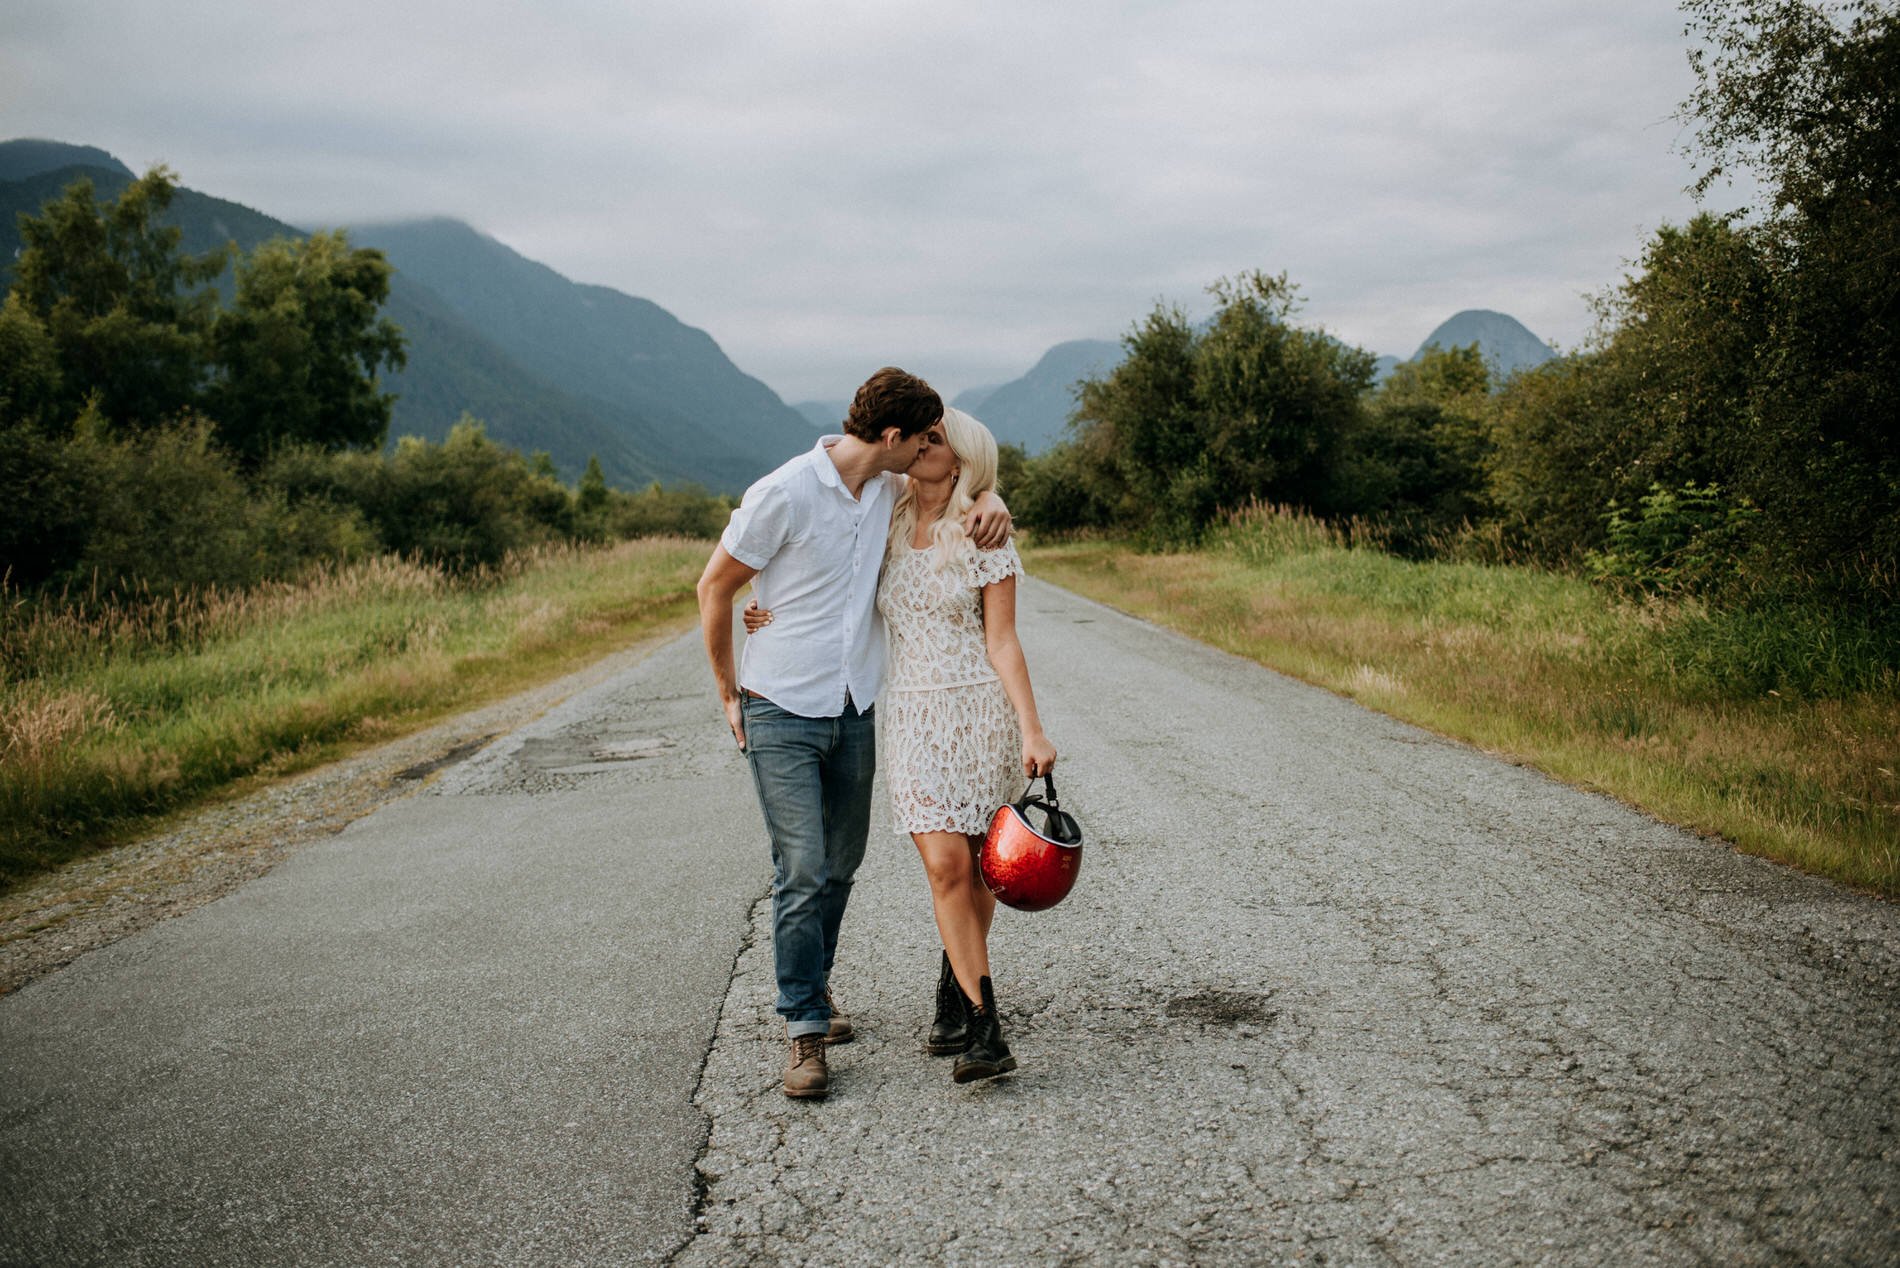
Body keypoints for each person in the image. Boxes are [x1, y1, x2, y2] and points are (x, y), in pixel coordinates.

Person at [696, 369, 1011, 1102]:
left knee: (840, 865)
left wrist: (990, 497)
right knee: (802, 868)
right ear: (895, 439)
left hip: (857, 707)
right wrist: (727, 690)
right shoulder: (784, 493)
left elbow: (956, 490)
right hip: (779, 704)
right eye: (925, 437)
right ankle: (804, 1028)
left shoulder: (886, 488)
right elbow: (716, 586)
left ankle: (820, 986)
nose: (934, 447)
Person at [745, 406, 1054, 1084]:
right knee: (945, 867)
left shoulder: (985, 533)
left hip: (979, 710)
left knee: (977, 869)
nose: (920, 446)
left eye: (936, 441)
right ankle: (984, 1018)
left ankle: (965, 1003)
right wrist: (765, 606)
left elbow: (1003, 639)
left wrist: (1032, 727)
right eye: (920, 436)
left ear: (961, 460)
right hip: (911, 716)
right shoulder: (883, 512)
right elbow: (825, 572)